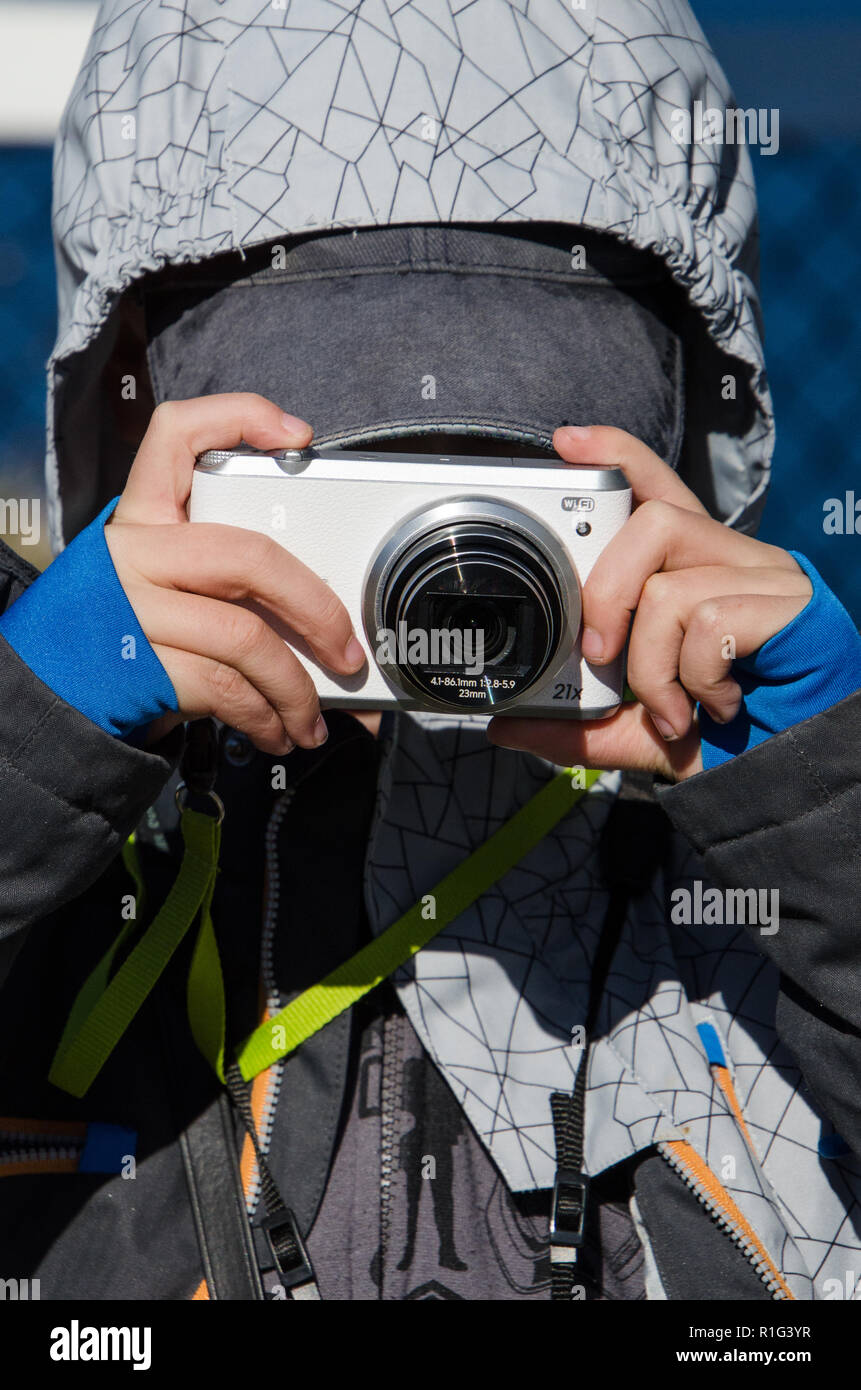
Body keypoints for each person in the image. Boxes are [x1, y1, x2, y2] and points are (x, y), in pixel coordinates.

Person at [0, 0, 859, 1301]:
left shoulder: (763, 863)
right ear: (130, 399)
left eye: (502, 479)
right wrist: (31, 751)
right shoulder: (60, 876)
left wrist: (827, 810)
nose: (437, 582)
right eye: (343, 486)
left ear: (671, 421)